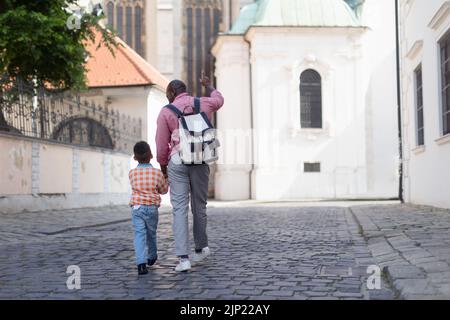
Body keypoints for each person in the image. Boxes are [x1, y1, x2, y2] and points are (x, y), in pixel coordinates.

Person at [156, 75, 224, 272]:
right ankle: (202, 248)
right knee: (199, 206)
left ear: (171, 93)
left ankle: (183, 259)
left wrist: (163, 167)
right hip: (201, 158)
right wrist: (209, 85)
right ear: (185, 90)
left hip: (177, 160)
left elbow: (161, 144)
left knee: (179, 209)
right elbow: (220, 99)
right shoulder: (203, 103)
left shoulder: (166, 112)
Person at [129, 141, 169, 275]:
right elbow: (163, 191)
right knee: (151, 234)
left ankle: (141, 263)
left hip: (137, 208)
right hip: (152, 208)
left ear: (135, 158)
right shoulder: (157, 173)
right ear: (151, 155)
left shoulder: (132, 173)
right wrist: (165, 178)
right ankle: (152, 256)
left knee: (139, 235)